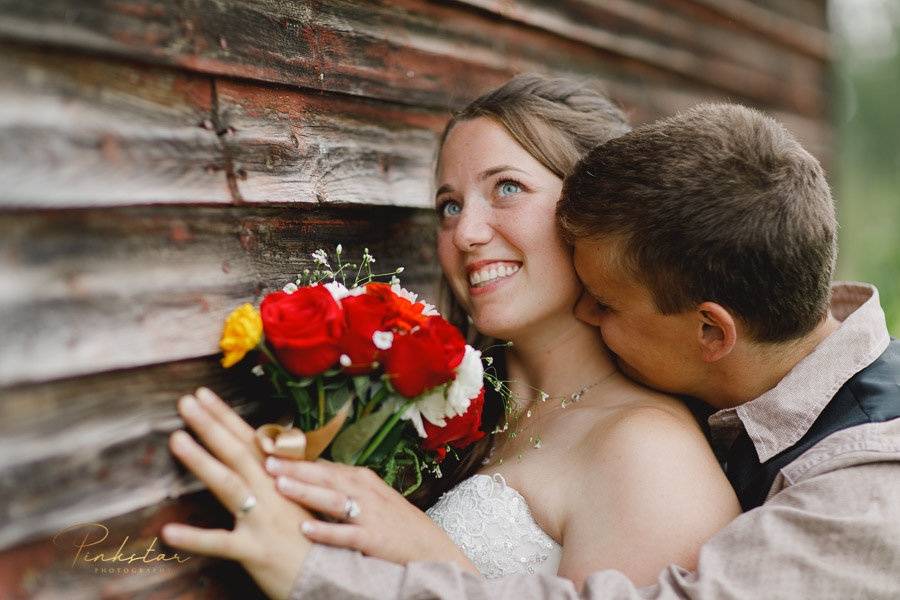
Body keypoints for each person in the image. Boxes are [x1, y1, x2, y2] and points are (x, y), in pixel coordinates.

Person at [160, 77, 743, 594]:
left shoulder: (648, 451)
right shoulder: (451, 414)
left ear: (596, 215)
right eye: (448, 205)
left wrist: (429, 557)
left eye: (507, 187)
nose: (465, 232)